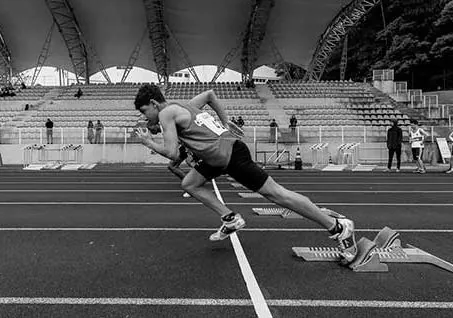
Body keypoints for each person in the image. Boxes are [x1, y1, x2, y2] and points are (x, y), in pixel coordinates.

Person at [134, 84, 357, 263]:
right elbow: (210, 94)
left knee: (277, 195)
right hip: (219, 156)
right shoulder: (186, 105)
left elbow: (173, 154)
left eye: (145, 111)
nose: (146, 117)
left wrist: (148, 142)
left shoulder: (165, 114)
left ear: (154, 103)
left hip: (229, 155)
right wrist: (225, 122)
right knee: (190, 183)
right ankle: (230, 218)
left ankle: (338, 227)